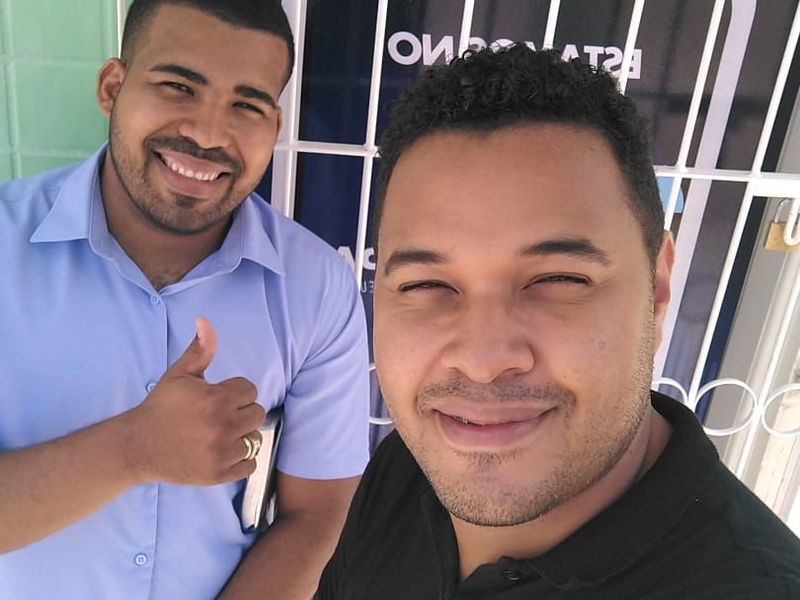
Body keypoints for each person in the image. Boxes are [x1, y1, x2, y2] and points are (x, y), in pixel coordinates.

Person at [315, 45, 800, 599]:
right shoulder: (405, 469)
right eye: (426, 285)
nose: (481, 361)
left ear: (657, 287)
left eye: (558, 279)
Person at [0, 1, 370, 599]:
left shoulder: (316, 286)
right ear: (112, 88)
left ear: (275, 127)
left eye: (246, 105)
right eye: (178, 87)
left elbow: (319, 515)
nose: (206, 134)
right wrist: (133, 450)